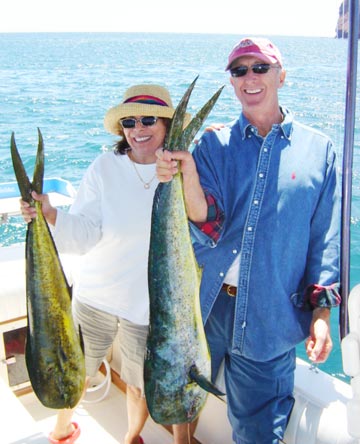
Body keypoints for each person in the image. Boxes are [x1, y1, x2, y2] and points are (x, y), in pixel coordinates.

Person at [156, 37, 341, 444]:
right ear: (233, 80)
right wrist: (185, 170)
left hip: (270, 314)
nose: (250, 78)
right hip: (206, 306)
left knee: (258, 433)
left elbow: (324, 240)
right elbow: (207, 222)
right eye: (240, 70)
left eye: (260, 67)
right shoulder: (213, 144)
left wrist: (321, 316)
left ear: (281, 75)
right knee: (182, 393)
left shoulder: (319, 150)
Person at [21, 84, 194, 444]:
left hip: (147, 308)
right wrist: (50, 213)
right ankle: (61, 430)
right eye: (129, 121)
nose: (138, 128)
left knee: (138, 386)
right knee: (77, 373)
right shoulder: (104, 167)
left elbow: (202, 219)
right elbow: (84, 233)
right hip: (95, 297)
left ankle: (131, 437)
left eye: (148, 119)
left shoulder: (181, 173)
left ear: (166, 124)